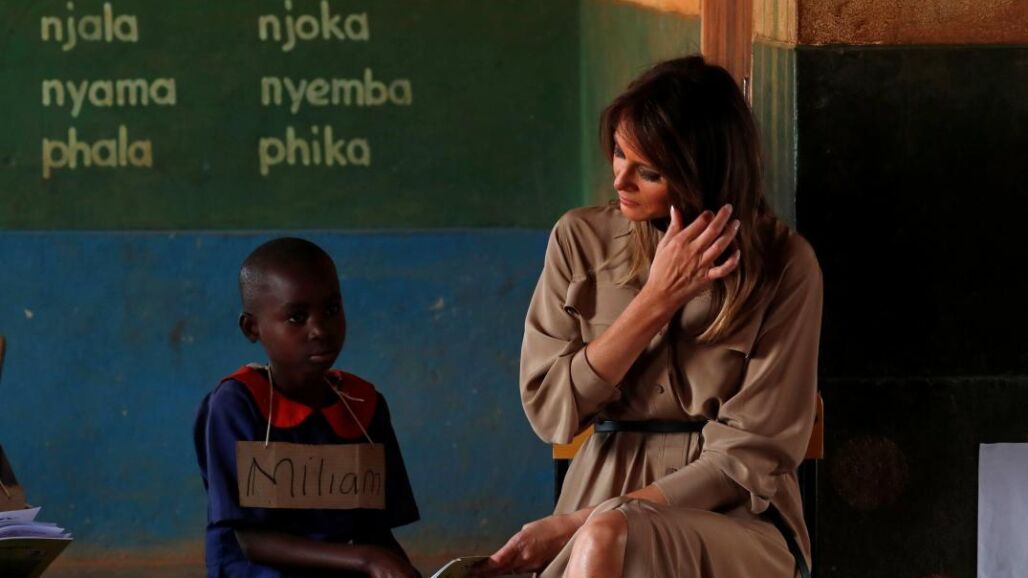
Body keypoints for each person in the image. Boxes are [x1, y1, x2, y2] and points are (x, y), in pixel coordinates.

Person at [477, 56, 823, 578]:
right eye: (619, 153)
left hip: (734, 517)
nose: (620, 179)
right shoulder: (579, 240)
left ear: (698, 174)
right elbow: (551, 412)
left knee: (608, 533)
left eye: (648, 172)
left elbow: (750, 457)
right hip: (598, 488)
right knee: (607, 534)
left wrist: (580, 524)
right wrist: (655, 300)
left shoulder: (785, 265)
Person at [193, 238, 421, 578]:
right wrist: (366, 559)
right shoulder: (237, 404)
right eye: (297, 317)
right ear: (252, 328)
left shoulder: (363, 404)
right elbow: (251, 540)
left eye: (331, 310)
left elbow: (373, 533)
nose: (319, 330)